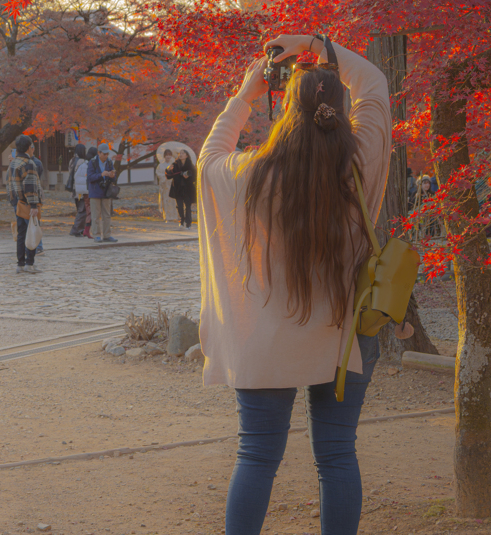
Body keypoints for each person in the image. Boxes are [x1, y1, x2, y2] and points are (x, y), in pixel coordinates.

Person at [197, 33, 390, 535]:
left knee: (257, 455)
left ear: (285, 108)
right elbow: (374, 82)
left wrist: (246, 92)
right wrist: (314, 42)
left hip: (268, 339)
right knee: (337, 454)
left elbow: (209, 157)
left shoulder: (252, 174)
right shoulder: (361, 158)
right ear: (340, 106)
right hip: (344, 330)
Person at [8, 134, 42, 273]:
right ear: (29, 147)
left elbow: (9, 184)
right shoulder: (29, 163)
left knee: (21, 233)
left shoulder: (13, 163)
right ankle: (30, 263)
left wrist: (13, 201)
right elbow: (30, 186)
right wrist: (34, 205)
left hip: (17, 202)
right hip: (28, 203)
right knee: (31, 231)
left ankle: (20, 263)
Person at [87, 142, 118, 243]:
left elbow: (113, 178)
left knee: (107, 215)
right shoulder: (92, 162)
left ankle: (107, 235)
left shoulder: (109, 162)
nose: (106, 156)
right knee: (95, 215)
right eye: (104, 154)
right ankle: (96, 235)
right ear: (99, 153)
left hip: (106, 191)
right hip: (95, 191)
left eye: (107, 154)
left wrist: (112, 175)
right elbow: (90, 177)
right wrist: (101, 174)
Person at [166, 148, 196, 228]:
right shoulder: (175, 164)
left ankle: (188, 223)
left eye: (183, 153)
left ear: (186, 156)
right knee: (179, 206)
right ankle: (182, 220)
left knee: (188, 206)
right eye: (180, 153)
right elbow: (169, 176)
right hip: (178, 188)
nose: (181, 155)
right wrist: (168, 170)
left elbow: (195, 176)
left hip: (187, 189)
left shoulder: (190, 165)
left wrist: (188, 176)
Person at [68, 143, 89, 237]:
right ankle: (76, 229)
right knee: (82, 210)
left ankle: (80, 229)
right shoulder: (82, 161)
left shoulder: (72, 160)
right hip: (80, 190)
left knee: (80, 209)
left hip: (74, 189)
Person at [155, 149, 174, 222]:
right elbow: (158, 173)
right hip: (165, 185)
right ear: (164, 156)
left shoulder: (173, 165)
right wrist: (165, 175)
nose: (168, 157)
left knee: (172, 201)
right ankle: (167, 217)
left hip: (172, 184)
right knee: (165, 201)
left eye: (169, 155)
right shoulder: (160, 165)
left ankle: (174, 216)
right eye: (167, 155)